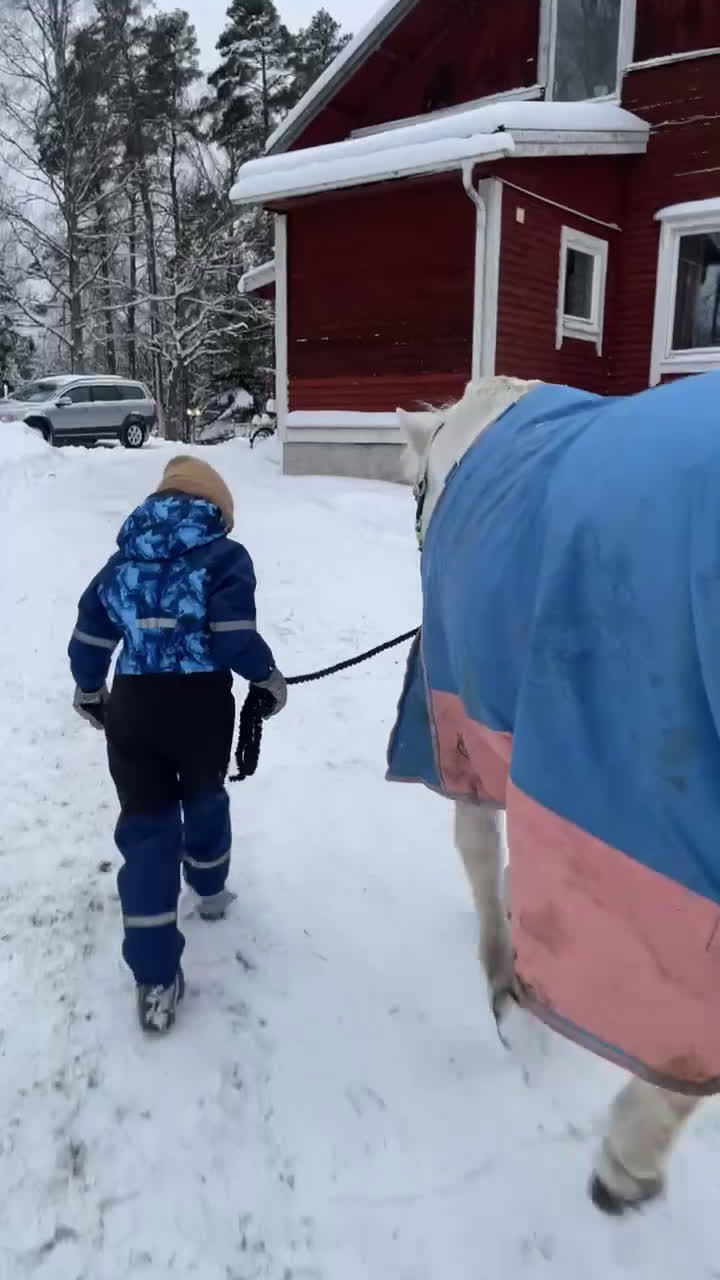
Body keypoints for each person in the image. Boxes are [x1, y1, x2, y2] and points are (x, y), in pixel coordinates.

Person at [68, 455, 287, 1034]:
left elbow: (91, 632)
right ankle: (211, 890)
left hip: (135, 707)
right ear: (216, 509)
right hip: (199, 707)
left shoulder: (121, 562)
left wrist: (90, 689)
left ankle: (155, 979)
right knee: (205, 794)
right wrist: (266, 677)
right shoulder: (224, 557)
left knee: (147, 827)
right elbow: (233, 635)